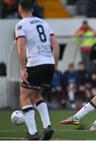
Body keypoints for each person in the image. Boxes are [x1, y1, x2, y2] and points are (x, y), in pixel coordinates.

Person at [15, 0, 59, 139]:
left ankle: (32, 133)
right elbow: (55, 44)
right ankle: (47, 126)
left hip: (35, 64)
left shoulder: (21, 24)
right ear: (32, 10)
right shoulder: (44, 23)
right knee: (35, 95)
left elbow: (21, 47)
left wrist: (22, 69)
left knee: (24, 97)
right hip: (49, 64)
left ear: (19, 10)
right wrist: (54, 65)